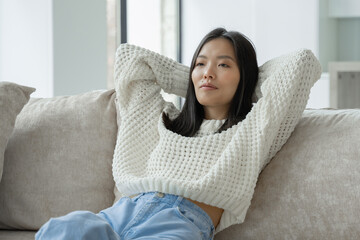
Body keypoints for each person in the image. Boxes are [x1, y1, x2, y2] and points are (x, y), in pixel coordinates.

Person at [35, 27, 321, 240]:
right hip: (123, 212)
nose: (208, 73)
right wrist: (193, 80)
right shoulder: (162, 120)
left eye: (223, 65)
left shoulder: (252, 130)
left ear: (244, 76)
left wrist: (246, 85)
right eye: (201, 63)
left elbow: (302, 64)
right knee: (60, 230)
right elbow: (130, 57)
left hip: (179, 223)